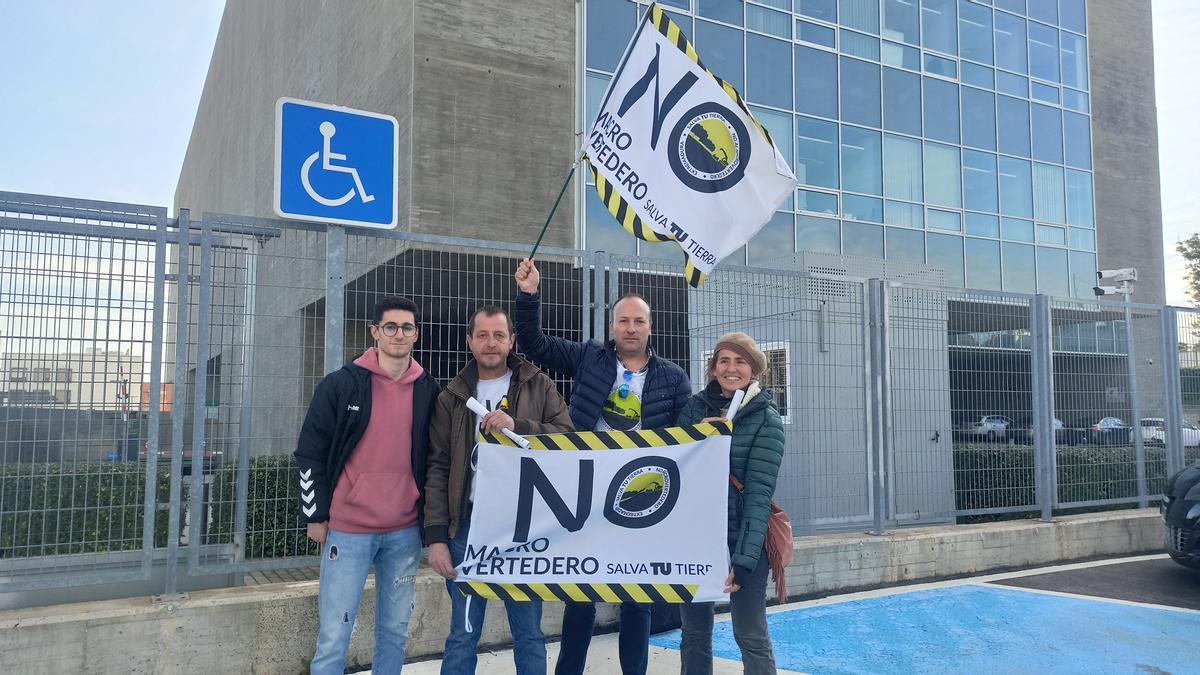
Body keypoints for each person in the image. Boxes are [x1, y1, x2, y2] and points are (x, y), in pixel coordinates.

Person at [513, 258, 692, 675]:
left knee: (637, 600)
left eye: (639, 321)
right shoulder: (589, 358)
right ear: (612, 326)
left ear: (651, 327)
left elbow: (689, 439)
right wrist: (529, 295)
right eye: (624, 320)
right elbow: (534, 343)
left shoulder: (674, 378)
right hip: (587, 494)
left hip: (641, 498)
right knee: (581, 596)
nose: (631, 328)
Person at [424, 304, 574, 674]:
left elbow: (569, 439)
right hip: (467, 529)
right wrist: (437, 538)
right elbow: (438, 468)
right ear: (470, 341)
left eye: (499, 335)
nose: (491, 343)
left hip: (523, 529)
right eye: (482, 335)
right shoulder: (452, 397)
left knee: (528, 632)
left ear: (512, 340)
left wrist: (519, 425)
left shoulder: (538, 384)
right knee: (463, 633)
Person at [294, 296, 439, 675]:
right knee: (333, 635)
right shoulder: (341, 385)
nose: (398, 334)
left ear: (416, 335)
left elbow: (438, 458)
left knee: (394, 632)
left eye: (406, 327)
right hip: (348, 531)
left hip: (404, 531)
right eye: (390, 327)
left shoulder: (428, 389)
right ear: (375, 332)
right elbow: (310, 452)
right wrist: (316, 515)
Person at [675, 332, 783, 675]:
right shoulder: (695, 408)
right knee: (693, 633)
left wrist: (745, 560)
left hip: (744, 539)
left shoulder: (767, 420)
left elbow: (758, 495)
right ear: (713, 368)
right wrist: (697, 435)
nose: (731, 368)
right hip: (697, 539)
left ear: (754, 370)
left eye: (740, 361)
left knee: (750, 634)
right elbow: (676, 463)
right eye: (724, 360)